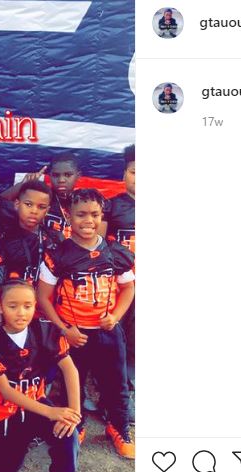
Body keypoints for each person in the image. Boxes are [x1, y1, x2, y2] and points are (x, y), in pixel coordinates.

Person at [37, 189, 136, 459]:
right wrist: (64, 329)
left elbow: (128, 288)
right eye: (81, 214)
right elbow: (43, 297)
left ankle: (118, 427)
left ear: (102, 215)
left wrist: (115, 316)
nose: (88, 220)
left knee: (116, 383)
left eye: (94, 214)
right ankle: (76, 423)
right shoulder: (57, 255)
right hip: (74, 333)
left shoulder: (115, 252)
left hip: (108, 332)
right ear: (69, 216)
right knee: (74, 381)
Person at [0, 280, 81, 472]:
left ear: (35, 305)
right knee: (6, 468)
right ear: (0, 306)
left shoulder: (45, 330)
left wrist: (74, 413)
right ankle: (2, 442)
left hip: (36, 404)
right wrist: (51, 411)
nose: (21, 312)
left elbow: (70, 369)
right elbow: (6, 390)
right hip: (5, 413)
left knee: (68, 432)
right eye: (13, 306)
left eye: (27, 306)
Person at [0, 179, 63, 321]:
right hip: (15, 314)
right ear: (17, 204)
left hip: (46, 314)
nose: (34, 211)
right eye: (28, 204)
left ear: (47, 210)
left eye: (41, 207)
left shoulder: (56, 239)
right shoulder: (4, 242)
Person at [101, 145, 136, 416]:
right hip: (119, 287)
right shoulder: (112, 206)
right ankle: (111, 396)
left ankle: (131, 392)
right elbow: (98, 246)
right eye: (134, 172)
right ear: (124, 174)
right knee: (116, 342)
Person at [2, 153, 82, 240]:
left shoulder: (84, 200)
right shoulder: (41, 197)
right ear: (50, 175)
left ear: (78, 176)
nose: (61, 180)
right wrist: (22, 185)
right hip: (43, 246)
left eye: (68, 175)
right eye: (56, 175)